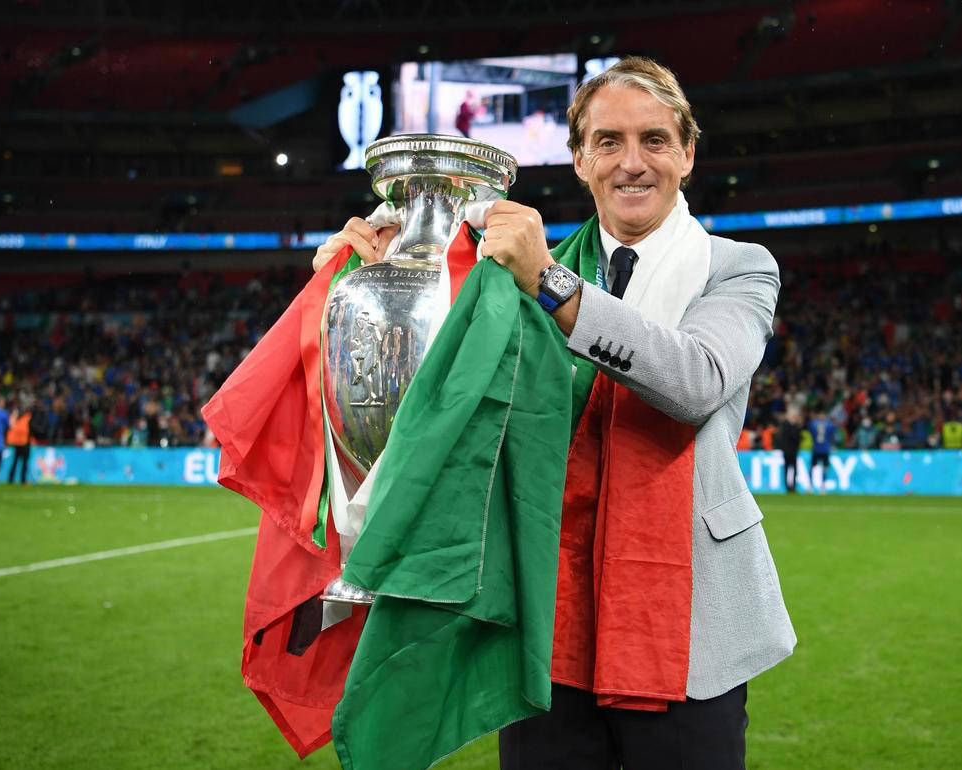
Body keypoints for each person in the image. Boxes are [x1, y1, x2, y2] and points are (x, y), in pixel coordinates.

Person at [312, 56, 795, 769]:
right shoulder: (511, 276)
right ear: (579, 160)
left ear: (688, 153)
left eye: (654, 140)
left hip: (688, 621)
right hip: (550, 613)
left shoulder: (738, 267)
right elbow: (438, 400)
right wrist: (382, 282)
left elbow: (697, 380)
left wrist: (548, 281)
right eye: (608, 142)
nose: (632, 163)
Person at [807, 408, 834, 494]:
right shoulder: (829, 425)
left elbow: (810, 430)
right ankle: (813, 485)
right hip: (821, 449)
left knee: (821, 468)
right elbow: (832, 435)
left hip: (821, 449)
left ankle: (819, 486)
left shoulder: (813, 424)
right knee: (816, 467)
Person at [6, 399, 32, 484]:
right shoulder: (27, 417)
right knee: (23, 462)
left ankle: (11, 479)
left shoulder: (16, 416)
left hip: (18, 442)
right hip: (24, 442)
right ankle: (22, 480)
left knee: (16, 462)